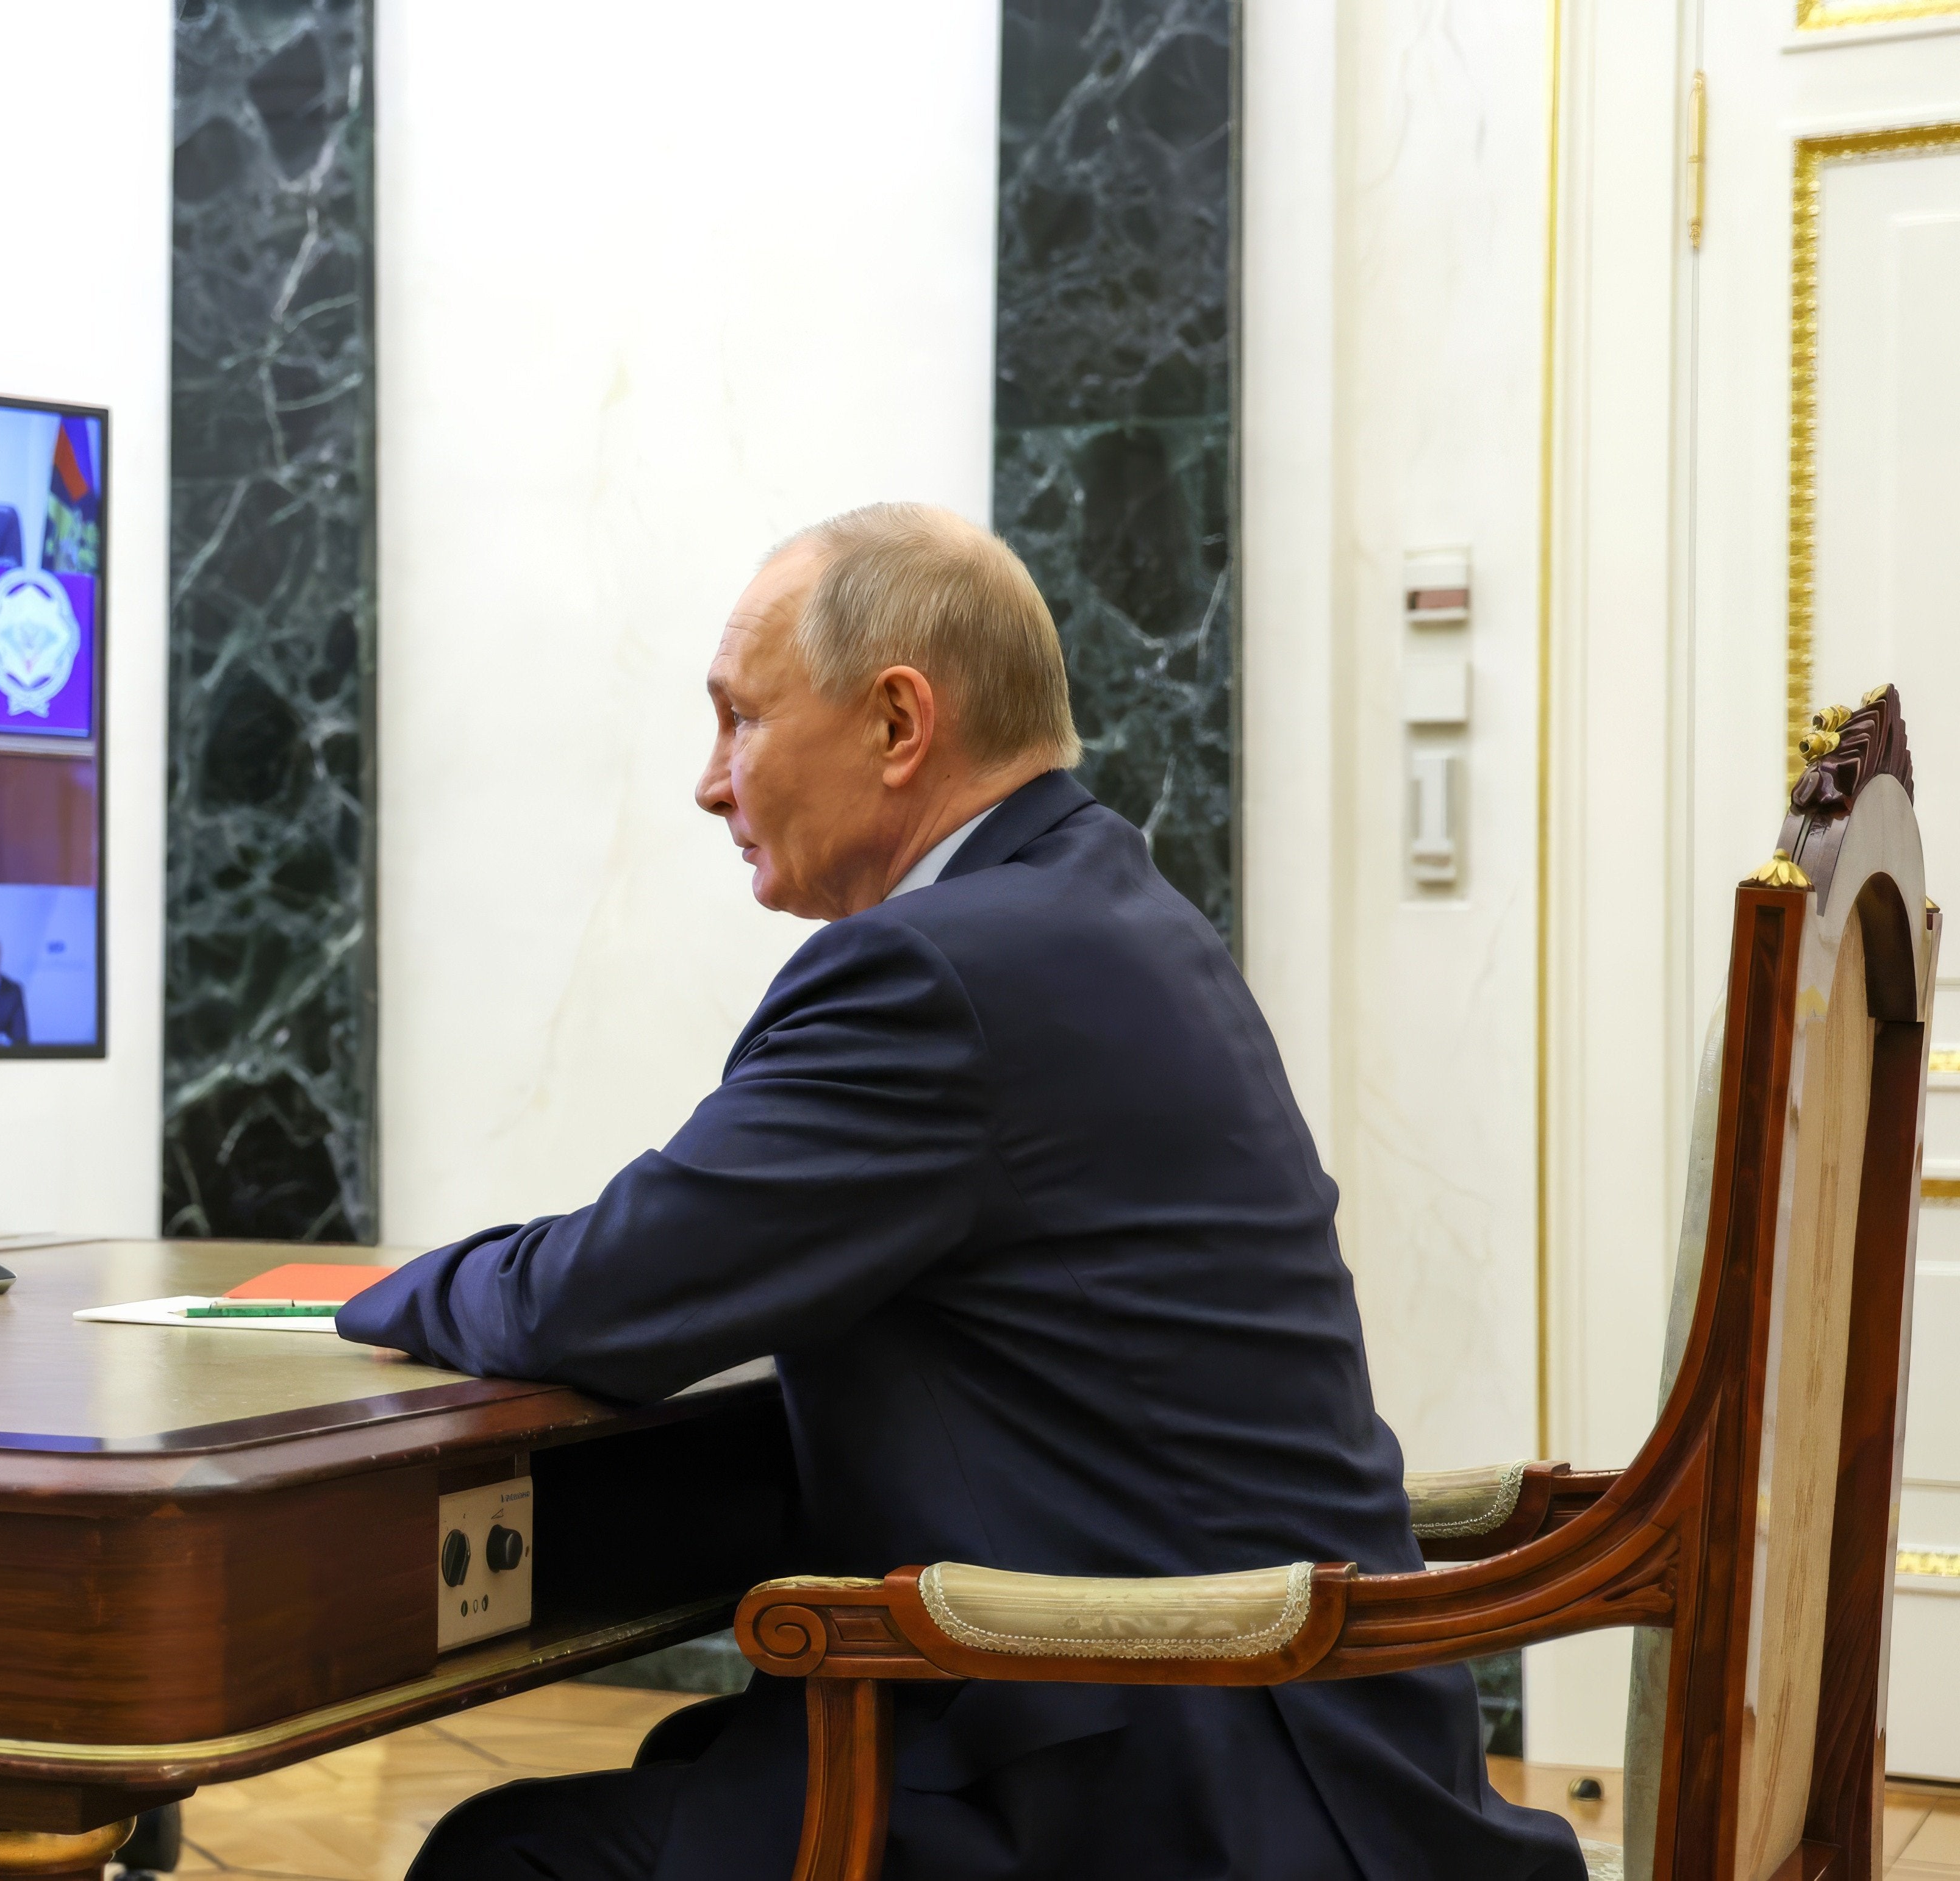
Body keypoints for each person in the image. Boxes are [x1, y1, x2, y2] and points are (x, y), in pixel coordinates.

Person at [337, 505, 1584, 1881]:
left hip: (1176, 1787)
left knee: (505, 1857)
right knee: (673, 1780)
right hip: (1302, 1742)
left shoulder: (933, 973)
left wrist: (361, 1292)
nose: (709, 781)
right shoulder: (1111, 912)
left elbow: (597, 1301)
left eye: (739, 720)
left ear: (895, 724)